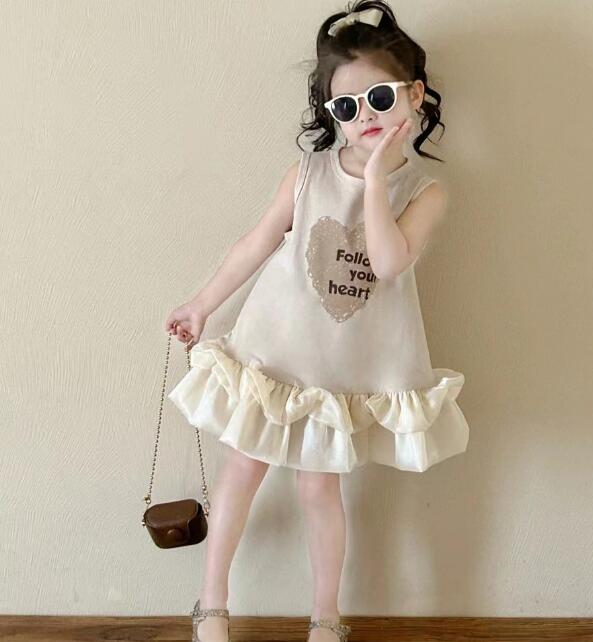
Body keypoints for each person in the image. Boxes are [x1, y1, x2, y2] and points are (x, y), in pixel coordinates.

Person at [164, 2, 470, 640]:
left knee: (318, 491)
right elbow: (255, 244)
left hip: (338, 376)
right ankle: (211, 604)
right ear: (331, 113)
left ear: (414, 95)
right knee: (241, 472)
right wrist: (201, 303)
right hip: (274, 354)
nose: (365, 117)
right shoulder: (307, 173)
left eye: (379, 98)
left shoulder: (425, 192)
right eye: (346, 107)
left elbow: (388, 263)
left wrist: (378, 178)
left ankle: (326, 617)